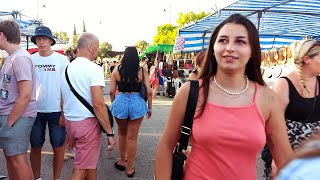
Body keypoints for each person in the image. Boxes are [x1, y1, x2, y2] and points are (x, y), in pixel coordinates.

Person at [155, 13, 293, 180]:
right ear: (213, 48)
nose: (230, 48)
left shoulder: (268, 99)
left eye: (240, 41)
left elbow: (285, 159)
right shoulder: (190, 92)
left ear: (252, 52)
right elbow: (165, 146)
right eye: (223, 40)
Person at [60, 32, 115, 180]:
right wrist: (109, 133)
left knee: (89, 164)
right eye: (97, 47)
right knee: (80, 170)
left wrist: (65, 120)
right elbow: (98, 104)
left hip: (71, 122)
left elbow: (63, 98)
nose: (98, 50)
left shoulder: (67, 68)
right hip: (87, 125)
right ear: (90, 47)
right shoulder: (94, 69)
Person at [264, 39, 320, 179]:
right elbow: (273, 125)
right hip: (288, 155)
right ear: (307, 59)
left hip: (314, 157)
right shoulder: (283, 84)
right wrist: (276, 161)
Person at [29, 26, 69, 180]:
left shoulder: (61, 60)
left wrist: (64, 112)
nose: (41, 42)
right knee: (35, 146)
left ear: (51, 41)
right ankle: (37, 178)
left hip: (56, 111)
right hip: (35, 110)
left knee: (59, 147)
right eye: (38, 39)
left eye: (44, 38)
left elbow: (66, 87)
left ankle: (56, 178)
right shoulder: (31, 59)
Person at [0, 19, 37, 180]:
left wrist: (10, 121)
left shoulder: (20, 58)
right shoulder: (12, 57)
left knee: (18, 159)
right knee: (11, 157)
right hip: (12, 116)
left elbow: (26, 94)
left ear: (2, 35)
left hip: (16, 117)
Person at [110, 46, 152, 178]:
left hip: (121, 100)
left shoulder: (116, 70)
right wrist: (149, 107)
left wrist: (114, 103)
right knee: (132, 138)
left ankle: (122, 161)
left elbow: (111, 91)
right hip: (136, 102)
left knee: (122, 133)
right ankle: (130, 169)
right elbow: (149, 91)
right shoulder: (142, 71)